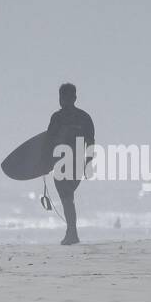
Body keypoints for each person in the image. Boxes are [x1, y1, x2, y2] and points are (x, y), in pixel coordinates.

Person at [47, 82, 95, 246]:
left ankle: (72, 232)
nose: (63, 100)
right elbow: (49, 142)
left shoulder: (62, 117)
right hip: (66, 162)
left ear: (73, 98)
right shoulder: (81, 117)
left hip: (69, 163)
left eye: (65, 97)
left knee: (67, 197)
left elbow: (90, 143)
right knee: (68, 197)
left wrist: (88, 163)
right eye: (62, 97)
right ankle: (71, 231)